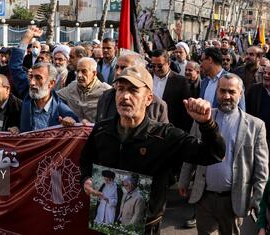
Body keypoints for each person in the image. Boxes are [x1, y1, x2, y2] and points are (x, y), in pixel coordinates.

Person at [80, 65, 226, 234]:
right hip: (106, 223)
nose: (125, 96)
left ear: (148, 98)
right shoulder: (102, 130)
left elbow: (214, 154)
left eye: (134, 90)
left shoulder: (164, 136)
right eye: (120, 89)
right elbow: (86, 160)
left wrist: (207, 124)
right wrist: (86, 179)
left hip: (145, 228)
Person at [179, 73, 268, 235]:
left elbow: (261, 169)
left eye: (231, 92)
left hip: (233, 199)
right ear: (216, 92)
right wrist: (183, 180)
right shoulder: (203, 118)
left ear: (240, 94)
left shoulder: (256, 126)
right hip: (204, 197)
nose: (226, 96)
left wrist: (257, 198)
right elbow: (190, 153)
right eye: (222, 91)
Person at [9, 27, 79, 132]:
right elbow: (15, 67)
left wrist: (70, 122)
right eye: (32, 77)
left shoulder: (61, 110)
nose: (32, 82)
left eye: (38, 78)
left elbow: (76, 131)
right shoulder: (27, 95)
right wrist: (27, 37)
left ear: (51, 83)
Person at [96, 52, 169, 123]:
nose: (118, 72)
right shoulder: (105, 97)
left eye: (124, 68)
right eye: (117, 67)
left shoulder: (158, 105)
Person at [57, 57, 111, 123]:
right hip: (74, 131)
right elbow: (52, 97)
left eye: (84, 71)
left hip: (96, 131)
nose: (79, 75)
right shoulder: (71, 87)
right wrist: (63, 115)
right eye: (78, 71)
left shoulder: (106, 91)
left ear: (94, 73)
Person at [151, 49, 192, 131]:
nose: (156, 69)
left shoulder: (181, 81)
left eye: (159, 66)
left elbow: (185, 113)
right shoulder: (147, 77)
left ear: (168, 63)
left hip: (170, 130)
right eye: (153, 65)